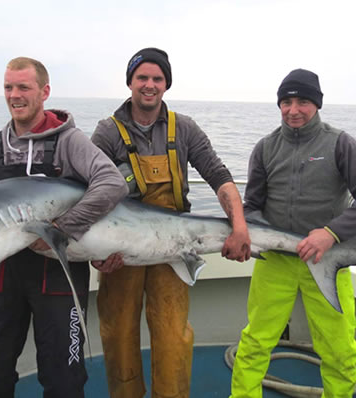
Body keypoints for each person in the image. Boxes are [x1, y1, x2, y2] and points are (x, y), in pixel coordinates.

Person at [91, 47, 252, 398]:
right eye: (142, 78)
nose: (149, 85)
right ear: (130, 82)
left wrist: (239, 227)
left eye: (157, 78)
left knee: (172, 336)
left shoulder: (185, 129)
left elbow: (219, 176)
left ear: (167, 84)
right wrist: (95, 255)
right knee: (117, 334)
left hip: (172, 249)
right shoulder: (107, 132)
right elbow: (88, 196)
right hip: (121, 252)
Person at [0, 56, 128, 398]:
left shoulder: (70, 143)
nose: (15, 95)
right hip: (1, 274)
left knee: (64, 379)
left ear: (44, 92)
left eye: (23, 87)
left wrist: (63, 228)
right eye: (8, 87)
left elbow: (112, 184)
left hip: (58, 273)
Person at [230, 69, 356, 398]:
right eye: (286, 102)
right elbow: (253, 204)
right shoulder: (265, 148)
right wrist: (252, 232)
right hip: (275, 262)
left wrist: (331, 233)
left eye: (303, 101)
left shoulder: (339, 143)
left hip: (327, 260)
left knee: (338, 348)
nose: (293, 109)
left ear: (316, 104)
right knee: (255, 341)